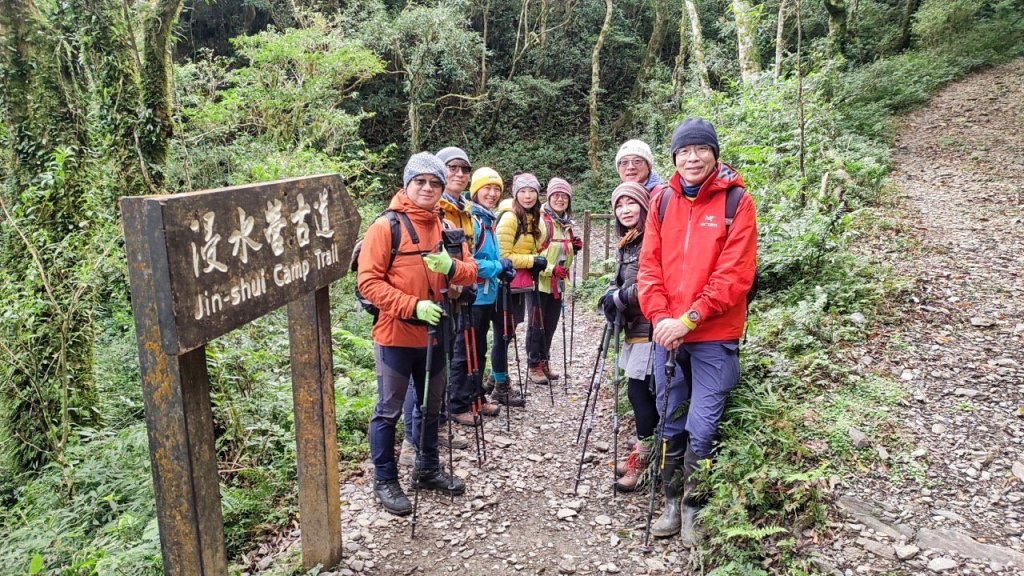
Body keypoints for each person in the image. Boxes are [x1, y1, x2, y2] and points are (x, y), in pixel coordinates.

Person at [638, 118, 758, 543]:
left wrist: (688, 319)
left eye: (700, 150)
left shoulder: (737, 202)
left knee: (702, 426)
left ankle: (693, 504)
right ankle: (671, 502)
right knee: (670, 420)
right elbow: (648, 267)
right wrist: (659, 318)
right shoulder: (663, 201)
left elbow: (735, 274)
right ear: (674, 157)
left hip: (713, 334)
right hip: (666, 332)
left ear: (714, 154)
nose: (692, 157)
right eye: (684, 151)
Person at [357, 152, 479, 516]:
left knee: (430, 407)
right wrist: (412, 306)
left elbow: (471, 272)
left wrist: (451, 266)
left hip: (438, 333)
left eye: (435, 182)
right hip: (395, 334)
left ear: (442, 188)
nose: (427, 188)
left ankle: (427, 469)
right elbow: (368, 283)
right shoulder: (385, 227)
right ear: (407, 184)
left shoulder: (445, 228)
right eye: (420, 181)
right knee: (388, 410)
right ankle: (385, 479)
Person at [401, 147, 475, 464]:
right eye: (452, 168)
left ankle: (431, 436)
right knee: (417, 379)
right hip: (410, 315)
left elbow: (465, 263)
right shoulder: (402, 218)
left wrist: (457, 276)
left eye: (463, 168)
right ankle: (410, 442)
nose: (458, 173)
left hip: (449, 304)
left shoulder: (452, 215)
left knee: (435, 376)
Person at [599, 181, 657, 493]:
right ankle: (644, 449)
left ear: (644, 205)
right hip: (635, 326)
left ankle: (645, 457)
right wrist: (610, 293)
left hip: (649, 325)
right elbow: (621, 278)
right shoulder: (628, 241)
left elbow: (650, 282)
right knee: (640, 391)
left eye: (631, 203)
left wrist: (620, 297)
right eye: (619, 206)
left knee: (638, 391)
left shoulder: (650, 238)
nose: (625, 210)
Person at [448, 167, 509, 426]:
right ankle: (459, 403)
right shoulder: (474, 219)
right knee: (465, 350)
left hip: (486, 295)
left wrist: (501, 267)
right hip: (472, 295)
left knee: (479, 349)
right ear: (476, 191)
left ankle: (476, 396)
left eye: (496, 189)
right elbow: (471, 262)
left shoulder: (488, 219)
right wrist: (499, 267)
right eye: (487, 188)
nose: (492, 193)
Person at [494, 173, 547, 399]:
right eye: (523, 191)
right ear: (515, 193)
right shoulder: (510, 219)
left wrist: (537, 258)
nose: (528, 195)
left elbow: (532, 247)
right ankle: (500, 385)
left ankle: (493, 378)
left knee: (509, 332)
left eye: (532, 191)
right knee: (502, 335)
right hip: (503, 284)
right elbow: (503, 255)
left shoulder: (533, 217)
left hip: (519, 285)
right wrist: (533, 261)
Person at [526, 177, 581, 385]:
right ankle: (534, 365)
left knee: (550, 324)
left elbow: (560, 250)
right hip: (539, 281)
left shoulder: (565, 223)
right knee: (536, 324)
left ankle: (544, 360)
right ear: (548, 197)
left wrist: (572, 248)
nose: (560, 199)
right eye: (556, 195)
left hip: (557, 283)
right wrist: (550, 269)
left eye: (564, 196)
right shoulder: (540, 220)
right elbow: (532, 252)